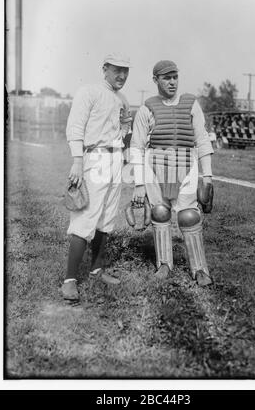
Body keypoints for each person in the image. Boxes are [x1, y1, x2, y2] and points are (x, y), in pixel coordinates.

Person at [128, 60, 214, 286]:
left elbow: (202, 140)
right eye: (166, 78)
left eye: (175, 76)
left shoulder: (191, 104)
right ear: (155, 80)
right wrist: (138, 183)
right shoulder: (147, 108)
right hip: (156, 167)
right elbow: (136, 146)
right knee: (159, 212)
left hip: (186, 165)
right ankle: (164, 263)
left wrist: (208, 176)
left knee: (189, 215)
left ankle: (199, 269)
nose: (172, 82)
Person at [61, 52, 132, 303]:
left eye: (125, 70)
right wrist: (77, 161)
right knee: (85, 217)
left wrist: (126, 127)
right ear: (104, 68)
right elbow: (75, 127)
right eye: (116, 70)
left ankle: (96, 269)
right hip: (94, 157)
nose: (122, 75)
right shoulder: (89, 91)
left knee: (107, 217)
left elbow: (123, 133)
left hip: (115, 159)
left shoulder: (122, 98)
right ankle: (69, 280)